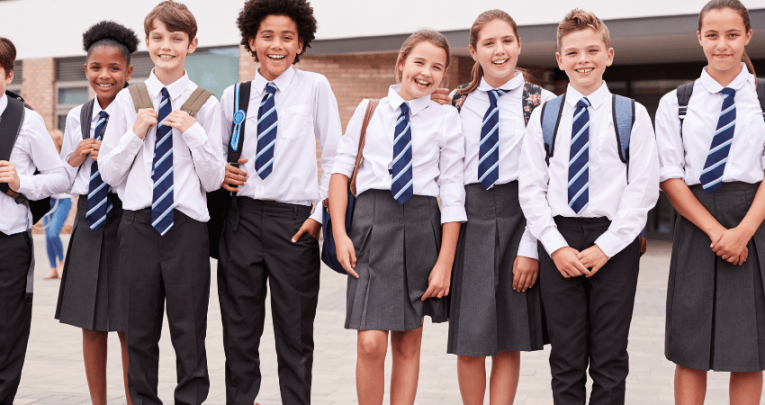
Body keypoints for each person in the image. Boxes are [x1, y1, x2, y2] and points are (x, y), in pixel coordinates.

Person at [518, 9, 659, 404]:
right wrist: (555, 246)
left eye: (593, 49)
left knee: (610, 358)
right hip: (559, 238)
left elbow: (643, 191)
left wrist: (607, 246)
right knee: (565, 358)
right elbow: (531, 189)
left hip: (614, 241)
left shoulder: (632, 114)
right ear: (560, 60)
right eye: (574, 52)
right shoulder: (544, 117)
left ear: (609, 55)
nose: (584, 59)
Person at [329, 29, 465, 405]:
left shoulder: (446, 119)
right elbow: (339, 173)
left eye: (437, 67)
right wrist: (340, 235)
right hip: (371, 228)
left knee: (408, 341)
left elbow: (453, 193)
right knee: (371, 343)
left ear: (444, 76)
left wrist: (445, 262)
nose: (426, 73)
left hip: (422, 228)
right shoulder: (368, 110)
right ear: (402, 63)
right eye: (419, 62)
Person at [98, 2, 225, 403]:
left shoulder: (207, 104)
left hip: (186, 230)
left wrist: (195, 135)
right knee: (139, 332)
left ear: (192, 44)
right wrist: (135, 133)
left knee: (189, 331)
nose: (166, 46)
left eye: (176, 38)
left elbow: (214, 179)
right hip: (136, 227)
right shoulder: (126, 101)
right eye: (158, 38)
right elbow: (108, 174)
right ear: (148, 42)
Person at [216, 0, 342, 403]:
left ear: (301, 42)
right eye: (267, 36)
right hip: (242, 221)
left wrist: (320, 214)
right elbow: (214, 160)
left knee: (295, 336)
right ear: (251, 40)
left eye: (287, 37)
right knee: (239, 336)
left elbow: (336, 156)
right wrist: (221, 171)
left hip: (295, 224)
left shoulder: (315, 87)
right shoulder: (233, 95)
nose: (277, 45)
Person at [655, 1, 765, 404]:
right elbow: (670, 176)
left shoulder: (763, 99)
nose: (723, 45)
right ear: (699, 38)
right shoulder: (676, 103)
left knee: (750, 349)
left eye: (733, 35)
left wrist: (744, 232)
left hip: (754, 221)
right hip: (697, 223)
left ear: (748, 37)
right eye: (713, 35)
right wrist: (718, 232)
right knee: (690, 345)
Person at [446, 9, 555, 405]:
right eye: (489, 43)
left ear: (519, 45)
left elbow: (548, 183)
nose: (499, 50)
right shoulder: (456, 102)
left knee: (508, 333)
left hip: (520, 216)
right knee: (470, 336)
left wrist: (531, 247)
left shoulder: (543, 102)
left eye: (506, 41)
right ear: (474, 51)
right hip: (470, 218)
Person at [55, 20, 139, 405]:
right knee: (90, 324)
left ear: (128, 72)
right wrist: (73, 158)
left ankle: (132, 399)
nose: (104, 75)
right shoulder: (78, 116)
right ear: (86, 69)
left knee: (127, 323)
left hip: (129, 218)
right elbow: (64, 179)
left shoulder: (141, 110)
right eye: (95, 67)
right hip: (90, 217)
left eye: (114, 68)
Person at [0, 36, 69, 404]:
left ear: (8, 75)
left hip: (8, 244)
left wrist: (19, 181)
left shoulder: (26, 121)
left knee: (7, 334)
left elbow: (61, 179)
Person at [43, 130, 72, 280]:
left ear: (58, 142)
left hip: (62, 201)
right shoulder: (43, 159)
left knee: (54, 232)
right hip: (48, 201)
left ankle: (61, 263)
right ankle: (53, 268)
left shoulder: (64, 160)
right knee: (47, 236)